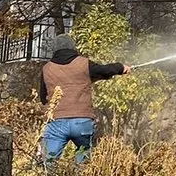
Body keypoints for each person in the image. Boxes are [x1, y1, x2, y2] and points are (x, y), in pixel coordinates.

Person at [39, 34, 130, 163]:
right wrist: (121, 68)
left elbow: (43, 98)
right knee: (83, 162)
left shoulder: (46, 69)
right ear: (73, 47)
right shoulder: (84, 63)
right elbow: (104, 70)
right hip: (82, 122)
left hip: (56, 122)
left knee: (48, 162)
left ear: (54, 49)